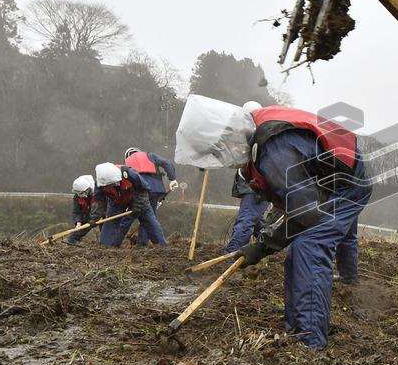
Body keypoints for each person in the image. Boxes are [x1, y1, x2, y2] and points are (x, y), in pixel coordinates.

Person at [175, 95, 372, 348]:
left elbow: (307, 213)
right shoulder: (257, 139)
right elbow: (298, 205)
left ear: (229, 140)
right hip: (328, 185)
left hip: (347, 188)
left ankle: (311, 342)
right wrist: (265, 244)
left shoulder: (274, 155)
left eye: (219, 151)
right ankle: (297, 328)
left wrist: (264, 244)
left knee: (309, 247)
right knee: (298, 250)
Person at [224, 102, 271, 254]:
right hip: (249, 184)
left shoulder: (264, 135)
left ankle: (230, 256)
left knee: (246, 221)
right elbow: (236, 158)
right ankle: (270, 250)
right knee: (257, 223)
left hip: (257, 186)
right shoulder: (246, 135)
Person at [93, 162, 168, 247]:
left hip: (138, 198)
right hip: (116, 202)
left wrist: (138, 205)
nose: (113, 186)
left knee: (149, 221)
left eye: (114, 184)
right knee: (111, 223)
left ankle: (161, 246)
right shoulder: (100, 183)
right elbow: (99, 201)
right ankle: (107, 247)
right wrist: (94, 218)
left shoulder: (129, 173)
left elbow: (144, 189)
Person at [123, 147, 178, 245]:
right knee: (149, 216)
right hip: (155, 189)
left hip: (139, 191)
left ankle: (141, 242)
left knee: (145, 216)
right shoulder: (150, 155)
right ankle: (145, 242)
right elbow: (166, 163)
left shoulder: (127, 164)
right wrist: (172, 178)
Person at [66, 174, 96, 245]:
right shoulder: (77, 196)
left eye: (81, 193)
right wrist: (78, 222)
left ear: (87, 190)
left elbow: (101, 208)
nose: (79, 195)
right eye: (78, 193)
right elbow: (76, 212)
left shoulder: (96, 194)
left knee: (105, 230)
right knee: (77, 231)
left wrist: (94, 219)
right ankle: (71, 242)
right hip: (88, 215)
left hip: (100, 214)